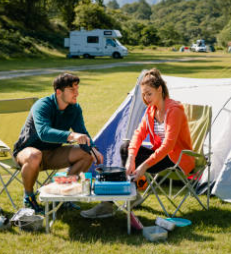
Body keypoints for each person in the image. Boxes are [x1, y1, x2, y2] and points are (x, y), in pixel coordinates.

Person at [80, 68, 194, 219]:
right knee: (125, 148)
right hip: (161, 156)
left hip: (178, 159)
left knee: (133, 156)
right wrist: (131, 159)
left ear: (160, 89)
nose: (146, 98)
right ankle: (125, 197)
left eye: (149, 93)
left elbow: (168, 146)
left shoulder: (174, 110)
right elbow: (138, 135)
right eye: (144, 94)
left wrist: (144, 166)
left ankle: (112, 203)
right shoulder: (151, 111)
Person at [14, 72, 103, 213]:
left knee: (87, 154)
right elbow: (44, 133)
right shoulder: (42, 106)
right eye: (72, 90)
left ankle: (63, 195)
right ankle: (29, 198)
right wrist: (71, 135)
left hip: (53, 153)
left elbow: (83, 132)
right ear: (58, 92)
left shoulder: (74, 109)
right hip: (28, 153)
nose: (77, 93)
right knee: (34, 155)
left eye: (77, 89)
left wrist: (93, 149)